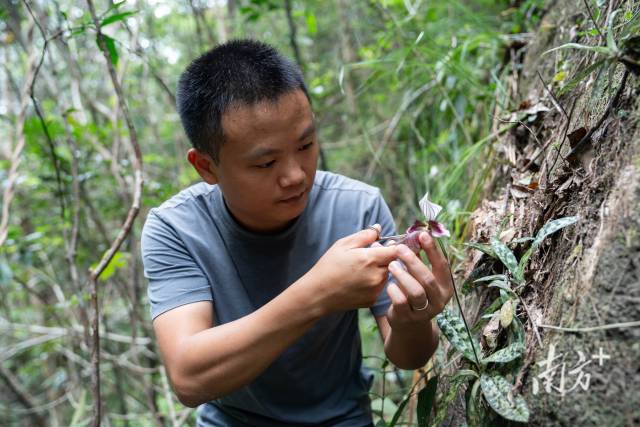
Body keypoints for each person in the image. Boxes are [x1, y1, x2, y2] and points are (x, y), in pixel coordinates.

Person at [140, 39, 454, 427]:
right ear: (206, 167)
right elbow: (188, 377)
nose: (295, 175)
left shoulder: (358, 208)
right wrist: (319, 292)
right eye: (266, 162)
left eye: (306, 144)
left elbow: (409, 356)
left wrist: (413, 320)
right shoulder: (176, 230)